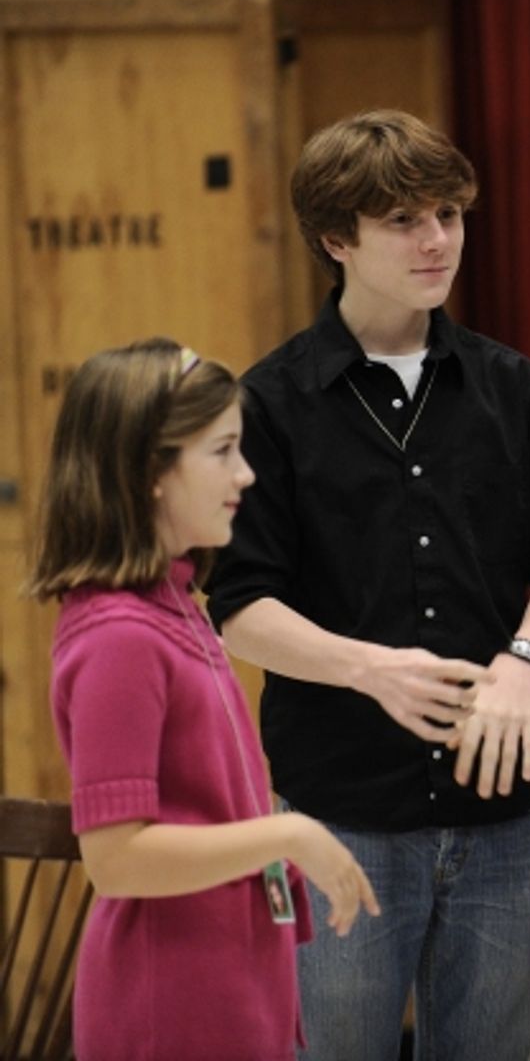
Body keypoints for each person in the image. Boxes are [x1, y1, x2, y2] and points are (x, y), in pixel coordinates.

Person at [204, 109, 530, 1061]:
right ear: (336, 240)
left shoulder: (511, 386)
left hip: (500, 811)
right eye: (404, 221)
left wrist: (525, 660)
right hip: (342, 812)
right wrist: (369, 669)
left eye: (449, 215)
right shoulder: (270, 403)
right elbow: (239, 608)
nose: (437, 241)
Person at [26, 339, 378, 1061]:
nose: (245, 474)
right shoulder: (118, 636)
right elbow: (117, 858)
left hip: (232, 981)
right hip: (172, 1003)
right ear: (149, 472)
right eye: (222, 452)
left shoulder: (176, 604)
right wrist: (287, 835)